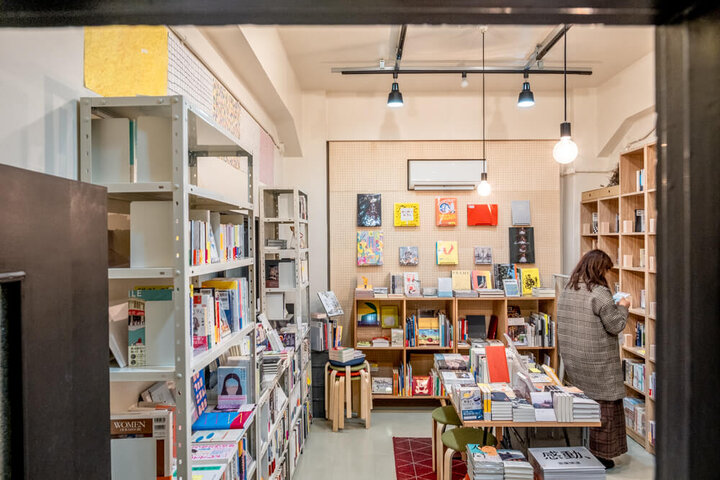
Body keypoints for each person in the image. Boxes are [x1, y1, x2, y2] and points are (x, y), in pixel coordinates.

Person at [557, 249, 631, 469]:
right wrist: (623, 307)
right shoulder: (599, 293)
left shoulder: (569, 288)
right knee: (605, 410)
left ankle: (583, 446)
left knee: (585, 406)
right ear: (599, 269)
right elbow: (615, 325)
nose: (608, 274)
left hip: (575, 361)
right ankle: (601, 455)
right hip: (598, 363)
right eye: (606, 270)